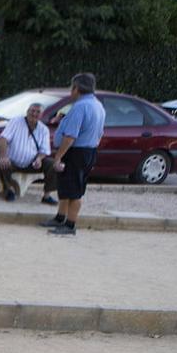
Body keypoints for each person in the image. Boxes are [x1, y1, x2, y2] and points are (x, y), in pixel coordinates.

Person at [42, 73, 106, 237]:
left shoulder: (80, 106)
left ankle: (70, 225)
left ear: (76, 88)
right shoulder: (98, 105)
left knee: (74, 190)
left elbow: (70, 136)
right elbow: (100, 132)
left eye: (72, 87)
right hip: (88, 150)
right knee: (66, 187)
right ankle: (60, 217)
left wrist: (58, 156)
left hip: (77, 151)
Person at [0, 102, 57, 204]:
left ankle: (47, 195)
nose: (34, 114)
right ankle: (8, 190)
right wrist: (3, 156)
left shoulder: (44, 129)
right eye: (32, 111)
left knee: (52, 164)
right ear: (27, 112)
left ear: (41, 115)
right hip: (13, 161)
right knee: (2, 164)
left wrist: (39, 159)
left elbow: (44, 150)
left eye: (38, 112)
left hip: (32, 163)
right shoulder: (15, 122)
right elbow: (3, 139)